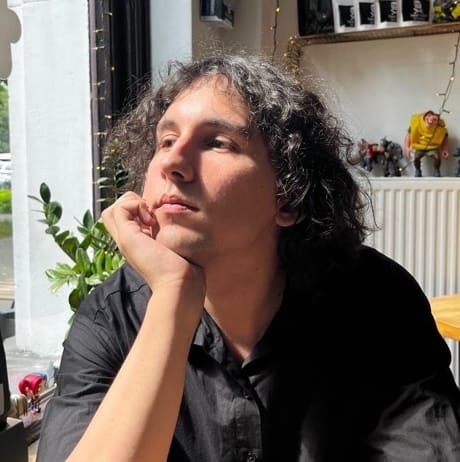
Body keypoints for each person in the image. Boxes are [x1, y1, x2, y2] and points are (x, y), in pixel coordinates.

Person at [37, 53, 460, 462]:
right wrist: (173, 296)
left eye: (217, 143)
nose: (172, 161)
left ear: (289, 197)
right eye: (165, 140)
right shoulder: (112, 317)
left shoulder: (376, 300)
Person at [404, 110, 449, 177]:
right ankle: (418, 170)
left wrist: (445, 149)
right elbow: (409, 135)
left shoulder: (440, 129)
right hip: (419, 146)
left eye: (434, 120)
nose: (431, 121)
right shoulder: (416, 124)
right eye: (428, 117)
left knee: (437, 158)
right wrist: (407, 147)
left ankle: (436, 170)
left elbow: (445, 139)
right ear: (424, 118)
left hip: (432, 147)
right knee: (416, 158)